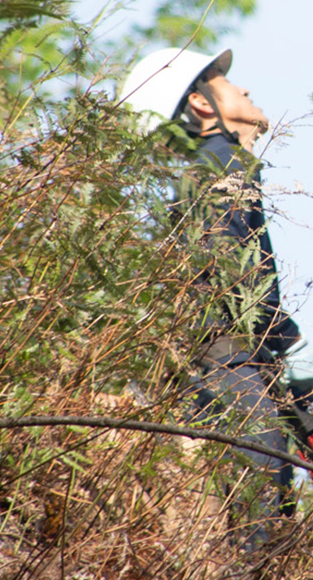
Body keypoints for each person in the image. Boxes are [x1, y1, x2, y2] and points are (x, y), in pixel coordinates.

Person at [120, 47, 300, 545]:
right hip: (227, 359)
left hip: (226, 360)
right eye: (223, 81)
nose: (243, 88)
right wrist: (270, 332)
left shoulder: (218, 165)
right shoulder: (221, 164)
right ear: (201, 104)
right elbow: (224, 265)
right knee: (260, 504)